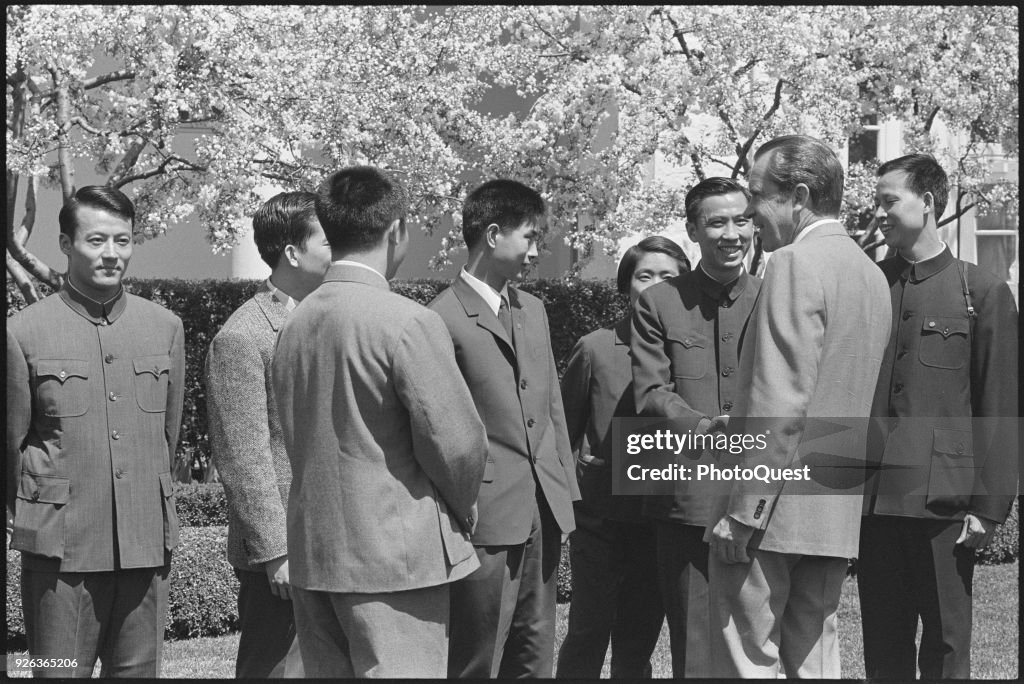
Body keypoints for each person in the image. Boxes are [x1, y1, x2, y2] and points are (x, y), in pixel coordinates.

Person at [271, 166, 487, 678]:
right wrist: (463, 508)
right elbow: (458, 445)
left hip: (316, 551)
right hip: (397, 558)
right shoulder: (408, 320)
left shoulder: (293, 322)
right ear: (397, 230)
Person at [705, 135, 891, 678]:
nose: (749, 212)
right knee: (815, 660)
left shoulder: (791, 263)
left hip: (771, 510)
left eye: (757, 194)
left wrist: (744, 512)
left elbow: (782, 399)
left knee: (747, 661)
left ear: (800, 196)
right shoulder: (871, 273)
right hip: (832, 505)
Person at [6, 185, 186, 678]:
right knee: (58, 671)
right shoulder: (23, 332)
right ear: (66, 244)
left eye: (122, 241)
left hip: (144, 544)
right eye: (96, 240)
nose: (112, 254)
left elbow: (167, 437)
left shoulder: (165, 327)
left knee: (138, 673)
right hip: (61, 550)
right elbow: (10, 445)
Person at [858, 153, 1018, 679]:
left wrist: (989, 507)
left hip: (943, 501)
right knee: (883, 642)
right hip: (875, 500)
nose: (878, 213)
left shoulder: (982, 291)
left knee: (948, 642)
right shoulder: (869, 286)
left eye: (888, 201)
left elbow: (1000, 405)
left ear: (926, 202)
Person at [429, 179, 580, 678]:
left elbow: (551, 408)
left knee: (535, 655)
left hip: (543, 508)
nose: (536, 252)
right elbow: (439, 427)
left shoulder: (532, 309)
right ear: (493, 235)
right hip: (483, 515)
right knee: (478, 658)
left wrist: (564, 492)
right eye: (530, 238)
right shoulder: (440, 318)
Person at [630, 178, 761, 677]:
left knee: (759, 644)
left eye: (742, 220)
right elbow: (651, 392)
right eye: (717, 222)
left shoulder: (773, 297)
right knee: (696, 650)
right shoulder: (659, 302)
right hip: (689, 500)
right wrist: (704, 426)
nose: (732, 234)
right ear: (692, 229)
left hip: (762, 495)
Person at [206, 191, 331, 677]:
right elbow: (243, 459)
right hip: (281, 556)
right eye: (327, 240)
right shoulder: (242, 337)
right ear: (293, 253)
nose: (339, 250)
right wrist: (276, 551)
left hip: (335, 540)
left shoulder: (331, 317)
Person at [555, 236, 690, 679]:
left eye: (668, 276)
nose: (655, 285)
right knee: (588, 629)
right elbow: (565, 429)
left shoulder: (689, 353)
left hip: (659, 518)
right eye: (644, 275)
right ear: (625, 285)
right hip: (599, 518)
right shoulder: (596, 347)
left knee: (638, 636)